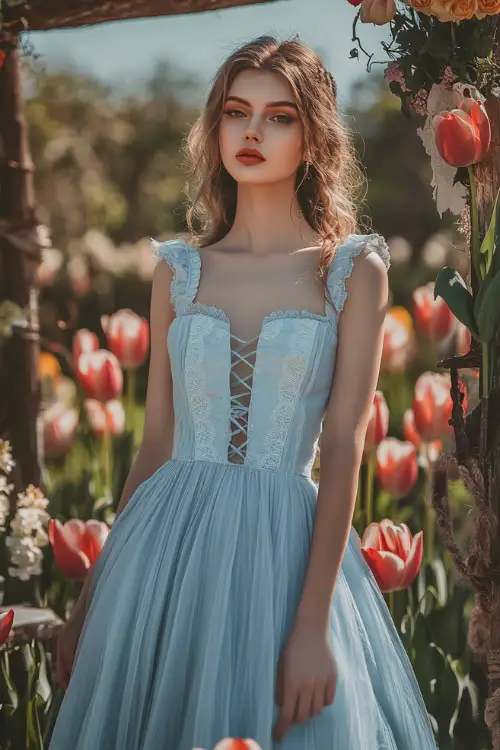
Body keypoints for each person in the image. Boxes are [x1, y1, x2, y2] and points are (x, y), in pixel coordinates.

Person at [48, 34, 438, 750]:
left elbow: (347, 446)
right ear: (216, 125)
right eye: (236, 111)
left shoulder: (351, 272)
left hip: (283, 556)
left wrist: (314, 625)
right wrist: (88, 601)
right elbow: (155, 444)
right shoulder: (179, 271)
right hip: (162, 554)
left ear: (314, 136)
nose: (252, 131)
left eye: (279, 116)